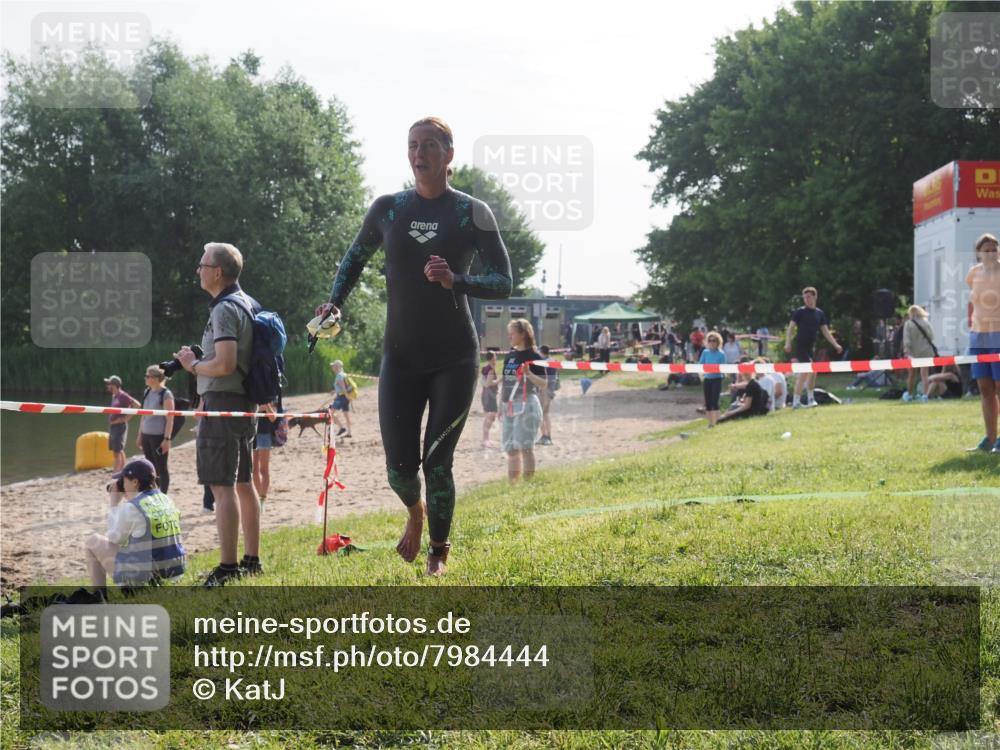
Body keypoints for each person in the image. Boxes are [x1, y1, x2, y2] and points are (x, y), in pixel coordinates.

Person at [314, 117, 512, 576]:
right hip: (401, 360)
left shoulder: (471, 213)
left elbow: (503, 281)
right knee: (399, 471)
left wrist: (455, 279)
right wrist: (335, 304)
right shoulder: (388, 209)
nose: (418, 154)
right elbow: (354, 259)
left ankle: (438, 550)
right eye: (412, 146)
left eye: (428, 146)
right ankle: (416, 511)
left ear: (448, 154)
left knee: (437, 462)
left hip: (455, 358)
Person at [174, 242, 261, 586]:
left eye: (202, 264)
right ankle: (251, 559)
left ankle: (227, 568)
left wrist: (192, 365)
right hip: (243, 403)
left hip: (224, 402)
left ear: (217, 272)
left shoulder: (224, 308)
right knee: (243, 483)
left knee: (222, 486)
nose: (198, 270)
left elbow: (224, 364)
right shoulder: (248, 303)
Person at [79, 458, 185, 602]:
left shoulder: (133, 507)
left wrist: (114, 504)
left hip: (144, 583)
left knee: (93, 541)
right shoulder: (167, 500)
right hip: (173, 576)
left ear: (135, 482)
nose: (122, 485)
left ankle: (99, 597)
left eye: (124, 480)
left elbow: (113, 538)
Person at [965, 233, 1000, 452]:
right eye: (986, 249)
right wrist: (971, 324)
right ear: (978, 253)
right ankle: (989, 439)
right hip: (978, 336)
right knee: (985, 388)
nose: (991, 253)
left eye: (994, 248)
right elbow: (972, 301)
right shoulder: (973, 274)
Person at [501, 319, 548, 480]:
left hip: (527, 404)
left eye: (512, 333)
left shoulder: (534, 356)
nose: (509, 337)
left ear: (523, 334)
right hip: (508, 405)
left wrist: (528, 374)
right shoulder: (510, 355)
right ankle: (513, 486)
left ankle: (528, 486)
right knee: (511, 449)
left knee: (526, 448)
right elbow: (506, 380)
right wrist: (502, 405)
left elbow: (544, 383)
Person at [784, 286, 843, 408]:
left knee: (813, 372)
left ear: (814, 297)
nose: (806, 299)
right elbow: (790, 328)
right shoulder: (799, 312)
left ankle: (811, 399)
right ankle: (796, 402)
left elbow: (825, 331)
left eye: (809, 297)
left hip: (812, 346)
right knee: (805, 371)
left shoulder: (819, 313)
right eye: (804, 297)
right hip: (801, 345)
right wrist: (788, 343)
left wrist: (835, 344)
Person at [136, 365, 175, 493]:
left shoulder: (166, 394)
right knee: (150, 467)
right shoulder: (146, 392)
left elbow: (170, 418)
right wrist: (139, 435)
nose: (145, 378)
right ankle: (153, 493)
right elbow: (143, 416)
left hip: (159, 436)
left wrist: (167, 439)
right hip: (146, 435)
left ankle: (163, 495)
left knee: (161, 468)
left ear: (156, 378)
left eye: (148, 376)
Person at [104, 375, 140, 473]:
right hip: (113, 426)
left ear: (114, 385)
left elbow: (137, 405)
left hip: (119, 426)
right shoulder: (114, 395)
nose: (107, 386)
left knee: (117, 452)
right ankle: (123, 469)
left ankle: (116, 472)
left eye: (109, 384)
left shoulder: (122, 395)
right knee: (118, 450)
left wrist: (126, 418)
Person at [719, 357, 770, 423]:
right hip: (753, 411)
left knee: (722, 419)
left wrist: (731, 413)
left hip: (751, 413)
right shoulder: (753, 383)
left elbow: (747, 406)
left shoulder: (751, 385)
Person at [902, 304, 936, 402]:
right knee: (924, 374)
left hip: (913, 353)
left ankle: (909, 394)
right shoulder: (926, 322)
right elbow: (932, 337)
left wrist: (906, 352)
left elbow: (907, 340)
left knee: (911, 374)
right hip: (926, 351)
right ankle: (925, 395)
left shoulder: (908, 323)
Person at [253, 395, 282, 507]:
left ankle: (262, 499)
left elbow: (273, 417)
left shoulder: (272, 393)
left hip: (264, 433)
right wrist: (259, 408)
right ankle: (257, 497)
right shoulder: (252, 390)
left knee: (263, 469)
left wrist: (266, 407)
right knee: (253, 469)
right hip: (251, 432)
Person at [699, 331, 727, 427]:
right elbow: (701, 364)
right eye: (710, 340)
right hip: (707, 379)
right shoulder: (705, 352)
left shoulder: (721, 354)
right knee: (708, 401)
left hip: (717, 379)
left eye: (714, 340)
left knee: (715, 401)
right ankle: (710, 423)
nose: (711, 342)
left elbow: (723, 368)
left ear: (718, 342)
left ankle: (718, 422)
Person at [536, 344, 559, 446]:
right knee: (544, 414)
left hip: (545, 390)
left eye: (539, 352)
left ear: (542, 352)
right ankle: (545, 436)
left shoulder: (545, 362)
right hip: (549, 389)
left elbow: (543, 378)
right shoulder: (551, 360)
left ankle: (546, 436)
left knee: (542, 414)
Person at [328, 360, 354, 438]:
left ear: (337, 367)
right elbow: (342, 387)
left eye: (333, 366)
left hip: (342, 397)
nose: (332, 367)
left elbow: (343, 387)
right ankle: (349, 433)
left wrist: (346, 395)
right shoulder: (344, 374)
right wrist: (335, 391)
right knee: (346, 415)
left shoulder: (339, 375)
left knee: (330, 412)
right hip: (343, 397)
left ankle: (342, 428)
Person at [480, 351, 499, 448]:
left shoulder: (485, 368)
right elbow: (488, 383)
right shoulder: (490, 369)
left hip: (487, 395)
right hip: (489, 395)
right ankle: (485, 439)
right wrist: (500, 380)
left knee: (491, 416)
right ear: (492, 358)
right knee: (490, 416)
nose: (496, 358)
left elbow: (483, 382)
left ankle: (486, 439)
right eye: (495, 356)